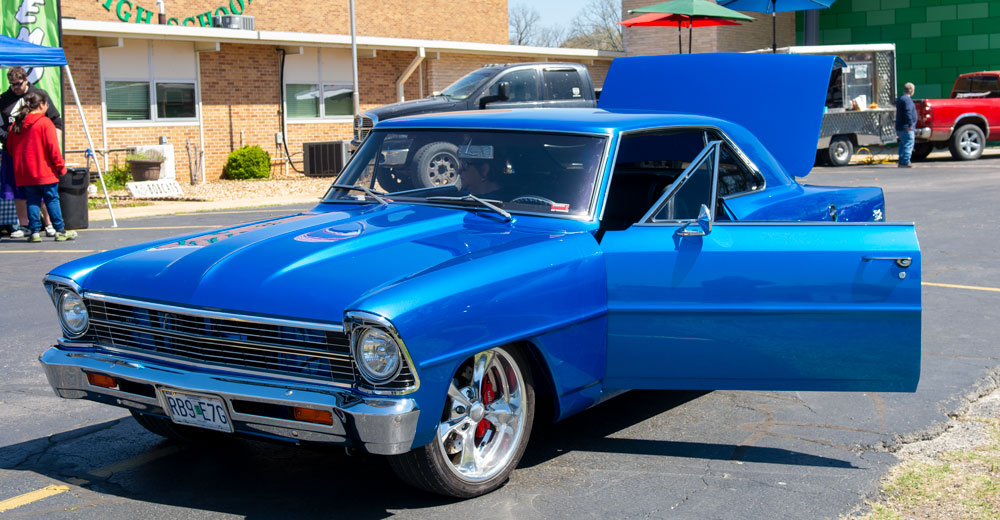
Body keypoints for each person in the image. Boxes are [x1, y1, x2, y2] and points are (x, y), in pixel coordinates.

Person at [1, 66, 63, 237]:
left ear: (26, 80)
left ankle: (49, 224)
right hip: (13, 151)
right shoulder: (4, 99)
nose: (15, 87)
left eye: (18, 84)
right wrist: (13, 142)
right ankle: (25, 225)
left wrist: (55, 147)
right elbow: (2, 128)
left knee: (43, 190)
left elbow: (56, 121)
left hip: (38, 152)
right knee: (18, 189)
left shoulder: (37, 96)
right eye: (12, 84)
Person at [6, 91, 75, 242]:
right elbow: (53, 148)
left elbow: (10, 147)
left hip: (25, 173)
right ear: (42, 105)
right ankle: (60, 230)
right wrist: (61, 167)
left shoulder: (16, 124)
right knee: (51, 199)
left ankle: (34, 232)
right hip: (45, 171)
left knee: (32, 200)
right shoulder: (45, 123)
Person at [896, 82, 917, 168]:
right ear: (911, 91)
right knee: (908, 143)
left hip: (900, 126)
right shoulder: (907, 100)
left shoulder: (900, 98)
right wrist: (910, 124)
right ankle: (905, 161)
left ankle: (901, 161)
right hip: (906, 127)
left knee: (903, 144)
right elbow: (908, 112)